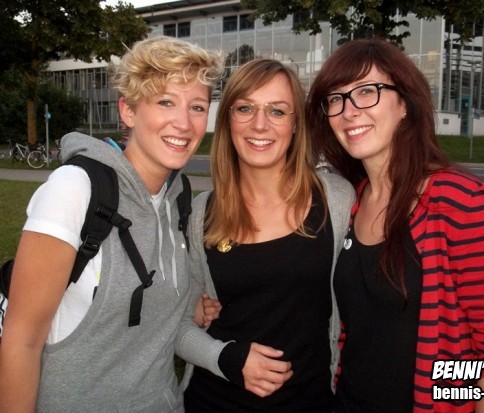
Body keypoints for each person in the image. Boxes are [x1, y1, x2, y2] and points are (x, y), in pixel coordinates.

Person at [0, 36, 224, 412]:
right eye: (166, 102)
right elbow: (21, 341)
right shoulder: (76, 188)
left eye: (197, 107)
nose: (184, 123)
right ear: (128, 111)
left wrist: (187, 309)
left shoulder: (179, 196)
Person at [306, 38, 484, 413]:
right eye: (335, 98)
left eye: (367, 91)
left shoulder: (459, 201)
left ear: (405, 104)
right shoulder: (351, 199)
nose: (349, 111)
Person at [174, 58, 355, 412]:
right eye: (245, 108)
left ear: (296, 124)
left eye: (277, 111)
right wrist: (226, 358)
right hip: (214, 401)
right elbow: (177, 325)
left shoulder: (336, 199)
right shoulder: (199, 215)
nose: (260, 124)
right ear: (227, 119)